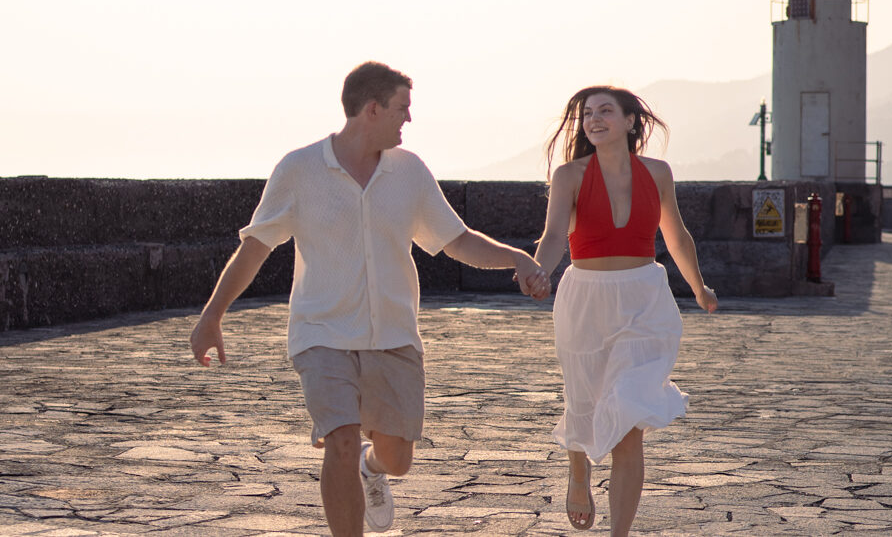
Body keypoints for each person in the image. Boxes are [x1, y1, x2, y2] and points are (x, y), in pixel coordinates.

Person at [189, 61, 550, 536]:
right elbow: (255, 247)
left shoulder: (410, 172)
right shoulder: (299, 170)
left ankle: (372, 467)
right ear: (373, 109)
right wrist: (212, 315)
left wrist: (516, 259)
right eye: (403, 108)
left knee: (398, 458)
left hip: (394, 336)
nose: (409, 119)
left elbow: (457, 240)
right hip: (322, 334)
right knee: (338, 440)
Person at [532, 86, 718, 535]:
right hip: (585, 298)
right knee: (583, 399)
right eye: (587, 114)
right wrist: (539, 270)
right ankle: (578, 471)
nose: (594, 120)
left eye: (605, 111)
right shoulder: (569, 176)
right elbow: (555, 235)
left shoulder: (658, 173)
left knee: (630, 416)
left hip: (643, 298)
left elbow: (675, 234)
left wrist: (699, 286)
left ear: (631, 121)